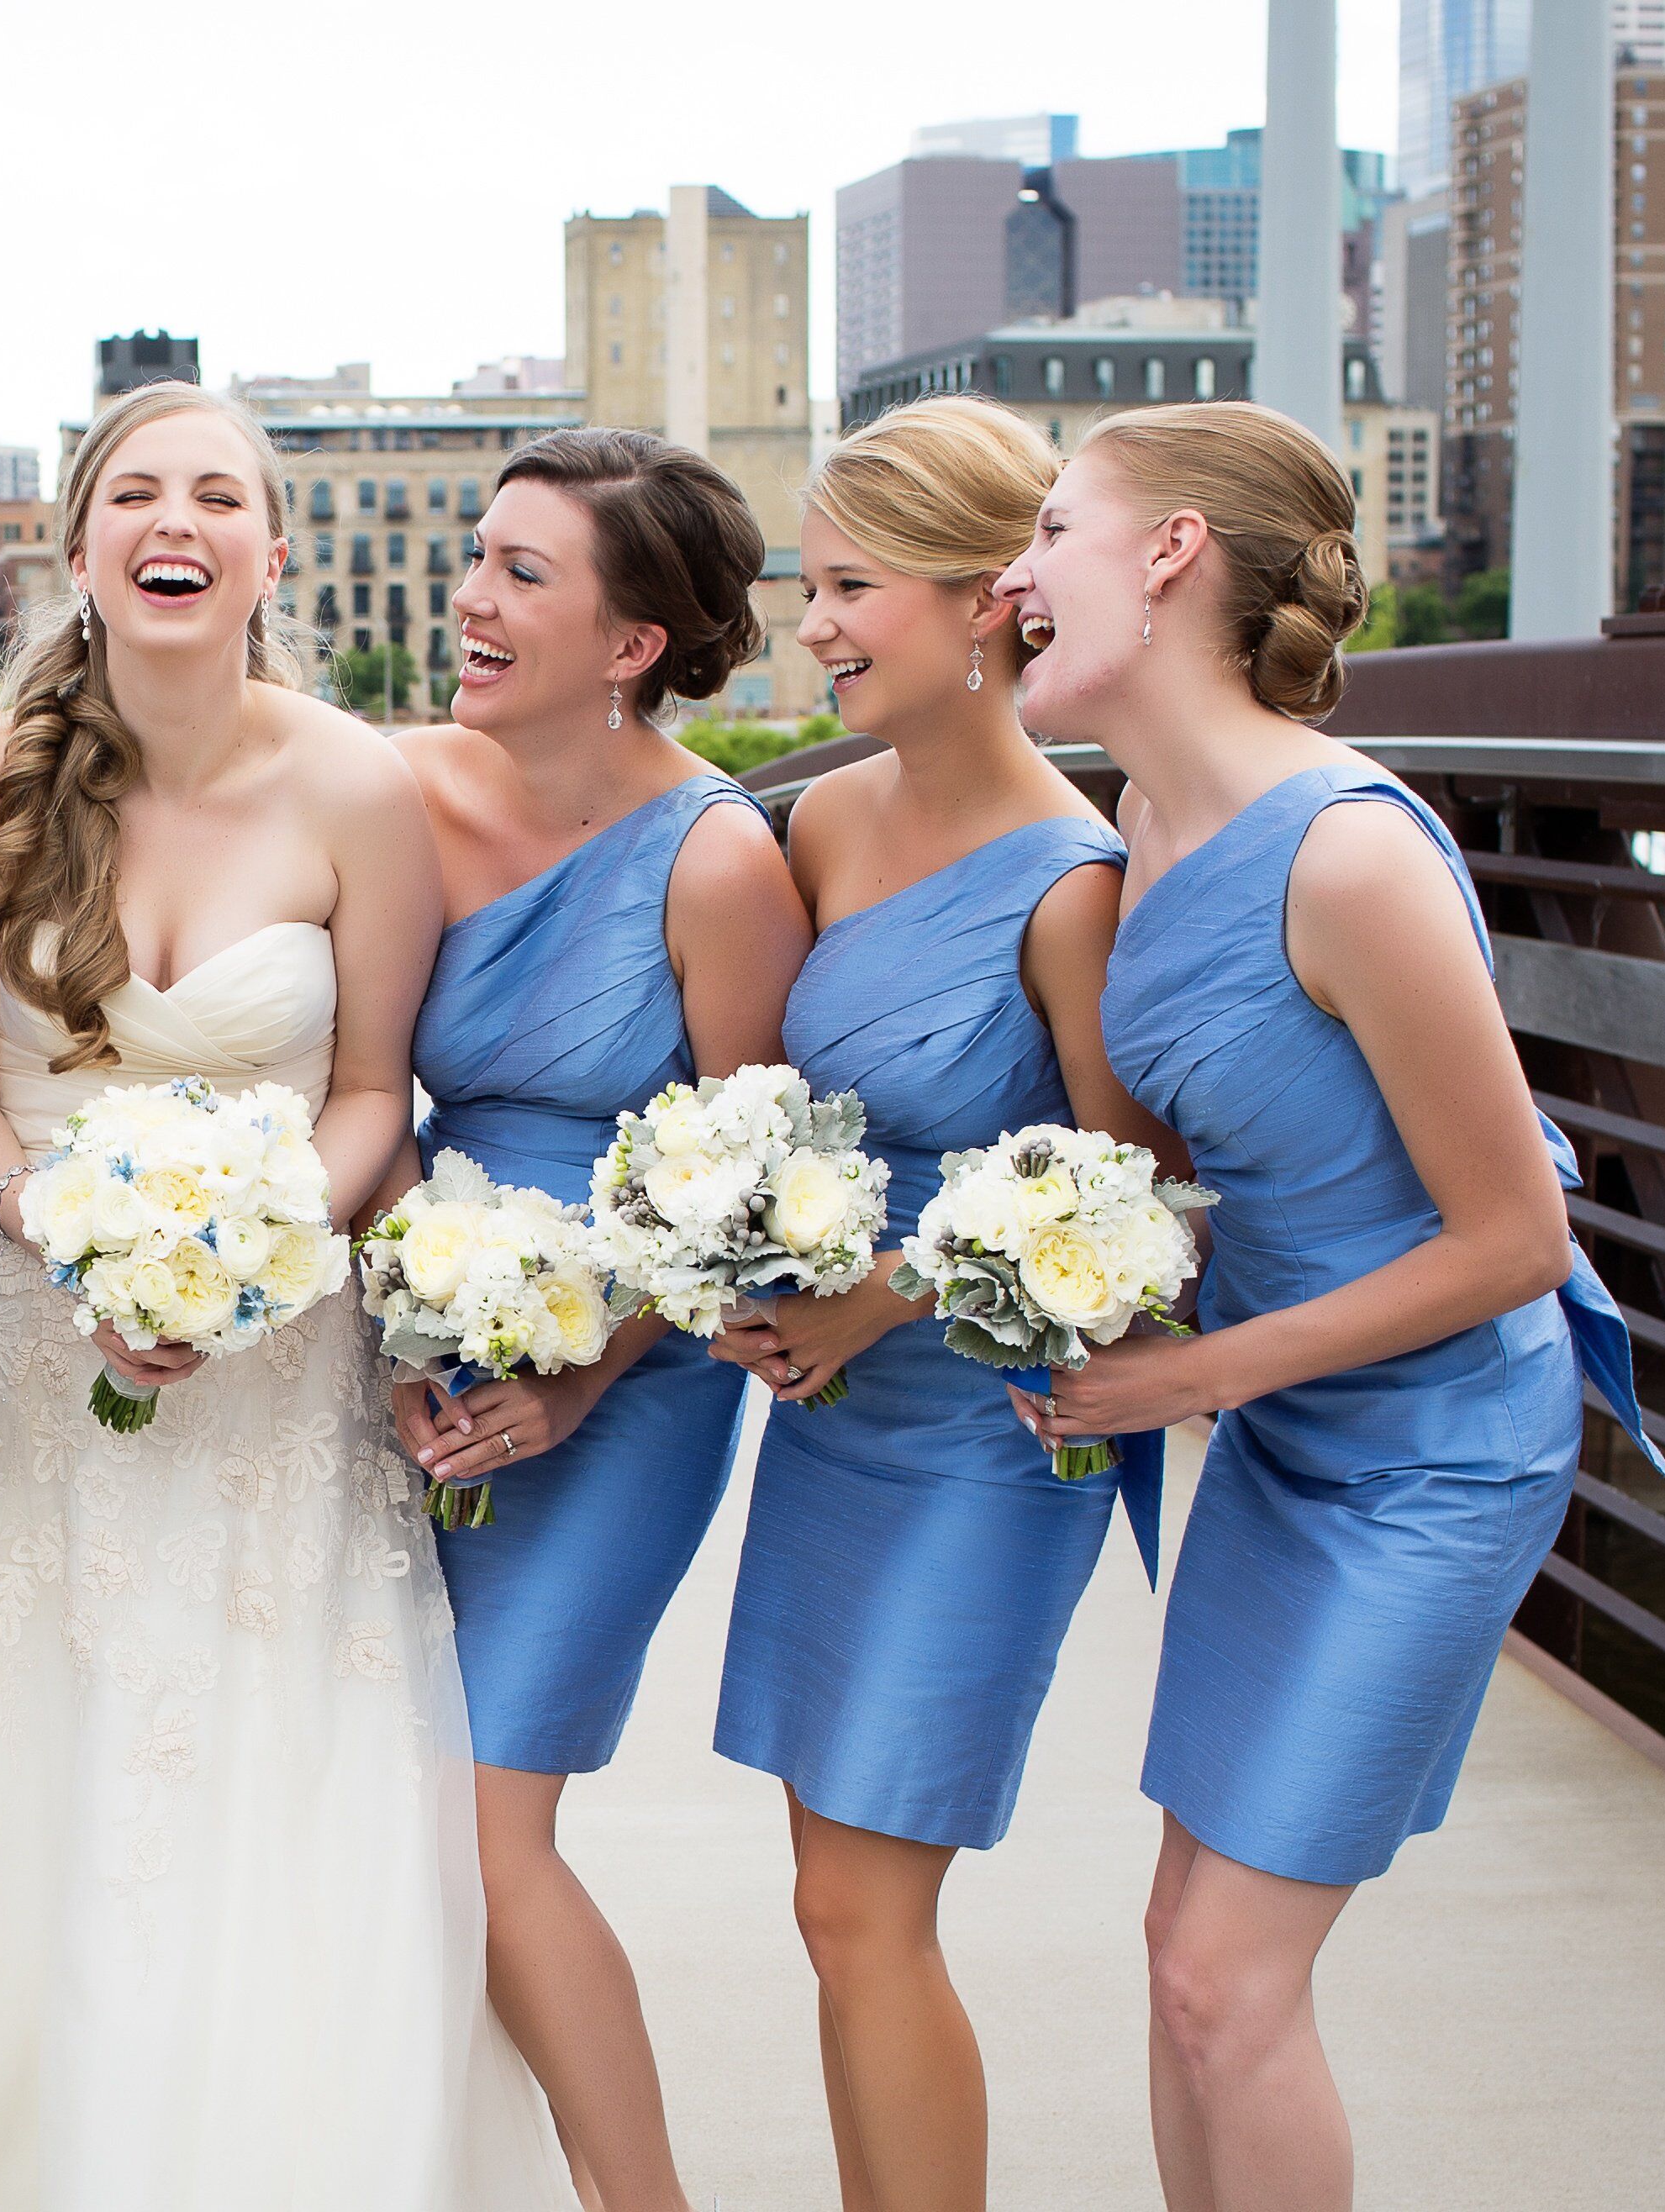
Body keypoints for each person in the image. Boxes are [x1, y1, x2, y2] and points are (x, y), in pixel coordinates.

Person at [0, 379, 573, 2210]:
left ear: (271, 550)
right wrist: (72, 1244)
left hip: (284, 1382)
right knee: (29, 1798)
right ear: (84, 540)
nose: (175, 518)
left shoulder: (361, 781)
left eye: (217, 493)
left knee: (283, 1801)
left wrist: (264, 1250)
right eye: (136, 491)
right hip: (41, 1376)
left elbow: (371, 1092)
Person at [993, 400, 1665, 2212]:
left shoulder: (1351, 854)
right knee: (1182, 1954)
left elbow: (1514, 1238)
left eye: (1054, 528)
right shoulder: (1144, 820)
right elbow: (1202, 1163)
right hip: (1293, 1438)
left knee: (1234, 1976)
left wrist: (1189, 1374)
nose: (1016, 572)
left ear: (1170, 554)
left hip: (1444, 1448)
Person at [710, 395, 1186, 2212]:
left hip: (986, 1428)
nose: (812, 623)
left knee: (865, 1897)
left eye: (848, 586)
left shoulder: (1075, 886)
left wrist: (884, 1300)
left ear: (990, 601)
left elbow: (1128, 1202)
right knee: (829, 1898)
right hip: (827, 1425)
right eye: (809, 583)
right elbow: (770, 1106)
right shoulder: (826, 820)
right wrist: (747, 1266)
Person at [386, 426, 806, 2210]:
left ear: (634, 642)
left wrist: (579, 1376)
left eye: (523, 574)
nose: (471, 599)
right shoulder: (396, 789)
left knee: (490, 1823)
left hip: (624, 1383)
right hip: (417, 1347)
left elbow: (749, 1177)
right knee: (399, 1812)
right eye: (478, 560)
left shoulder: (714, 859)